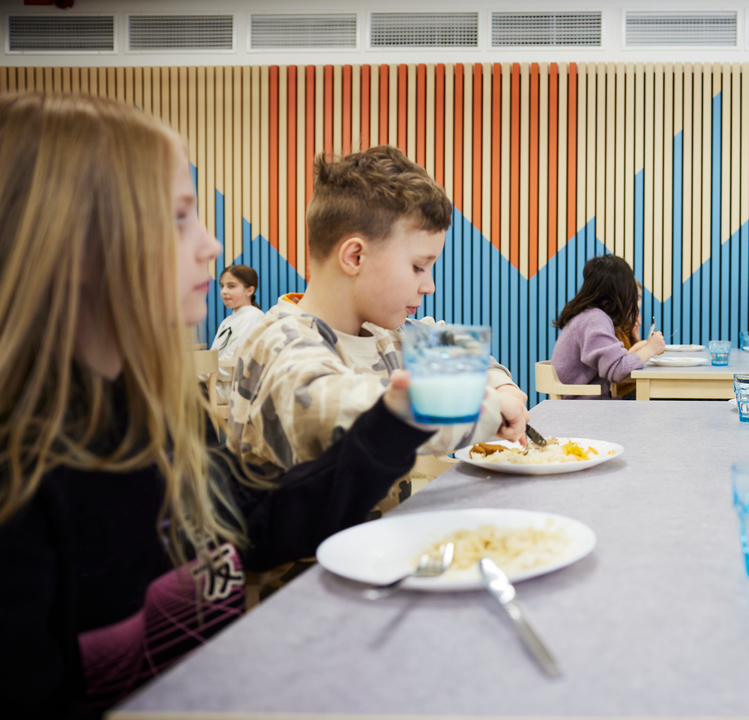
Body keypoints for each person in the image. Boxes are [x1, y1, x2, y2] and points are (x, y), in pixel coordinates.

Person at [0, 93, 438, 717]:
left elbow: (252, 527)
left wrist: (394, 427)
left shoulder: (159, 414)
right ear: (75, 244)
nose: (210, 245)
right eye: (180, 217)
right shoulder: (22, 475)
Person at [227, 146, 529, 497]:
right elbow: (353, 415)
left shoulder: (385, 333)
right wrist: (486, 406)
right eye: (418, 266)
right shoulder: (280, 343)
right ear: (355, 256)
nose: (428, 285)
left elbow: (466, 354)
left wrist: (500, 386)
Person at [551, 255, 666, 399]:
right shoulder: (595, 319)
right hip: (585, 409)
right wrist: (651, 348)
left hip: (580, 405)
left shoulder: (587, 315)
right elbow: (618, 371)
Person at [210, 264, 265, 402]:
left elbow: (232, 366)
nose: (224, 291)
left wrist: (194, 372)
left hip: (231, 391)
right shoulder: (228, 320)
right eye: (222, 286)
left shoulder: (252, 316)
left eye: (231, 286)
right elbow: (214, 358)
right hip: (214, 385)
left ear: (250, 290)